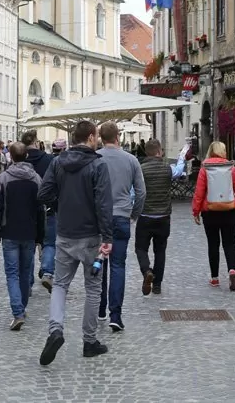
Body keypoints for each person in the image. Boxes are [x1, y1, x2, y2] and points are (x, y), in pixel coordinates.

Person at [37, 120, 113, 366]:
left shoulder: (58, 162)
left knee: (60, 285)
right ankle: (89, 341)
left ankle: (55, 330)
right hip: (91, 235)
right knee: (93, 289)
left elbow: (43, 194)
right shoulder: (98, 165)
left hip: (65, 233)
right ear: (91, 137)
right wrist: (108, 237)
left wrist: (61, 203)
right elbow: (103, 204)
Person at [96, 121, 145, 332]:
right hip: (122, 216)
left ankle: (100, 309)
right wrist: (133, 214)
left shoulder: (95, 158)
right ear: (118, 136)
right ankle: (116, 315)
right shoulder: (131, 159)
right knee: (118, 265)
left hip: (99, 218)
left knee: (99, 264)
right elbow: (141, 192)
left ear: (100, 137)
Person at [0, 143, 45, 330]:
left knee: (12, 273)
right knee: (25, 271)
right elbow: (41, 209)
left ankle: (17, 311)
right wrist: (41, 236)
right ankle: (21, 307)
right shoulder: (36, 178)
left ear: (11, 157)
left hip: (10, 230)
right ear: (27, 156)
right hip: (29, 231)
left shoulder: (4, 178)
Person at [193, 141, 235, 290]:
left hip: (210, 212)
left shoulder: (205, 168)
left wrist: (196, 212)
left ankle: (215, 278)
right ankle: (232, 270)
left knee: (213, 245)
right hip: (230, 211)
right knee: (229, 244)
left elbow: (199, 193)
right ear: (223, 151)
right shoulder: (231, 168)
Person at [136, 139, 173, 296]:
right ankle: (157, 285)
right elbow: (177, 173)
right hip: (163, 216)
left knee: (141, 248)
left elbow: (137, 192)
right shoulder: (167, 168)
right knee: (160, 250)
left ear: (146, 152)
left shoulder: (141, 169)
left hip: (145, 215)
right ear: (159, 151)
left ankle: (146, 271)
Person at [22, 130, 56, 290]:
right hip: (47, 207)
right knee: (49, 243)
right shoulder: (49, 159)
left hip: (25, 210)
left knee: (28, 245)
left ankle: (28, 282)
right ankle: (48, 272)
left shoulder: (18, 160)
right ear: (37, 143)